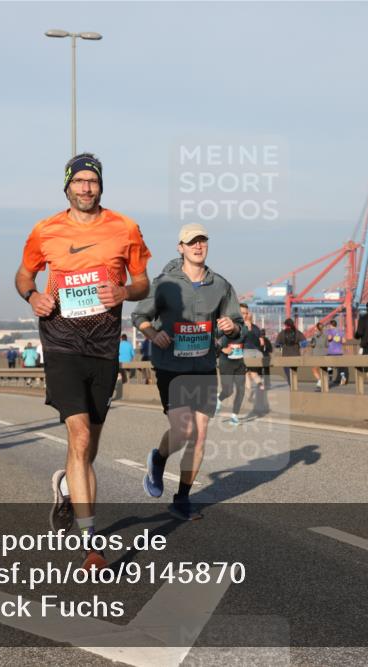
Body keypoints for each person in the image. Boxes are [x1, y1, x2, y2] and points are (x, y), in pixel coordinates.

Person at [14, 152, 151, 570]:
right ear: (67, 186)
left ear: (100, 186)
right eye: (79, 181)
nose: (86, 188)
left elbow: (143, 281)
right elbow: (23, 275)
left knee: (90, 444)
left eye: (93, 181)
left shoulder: (125, 227)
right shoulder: (46, 229)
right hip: (60, 344)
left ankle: (69, 488)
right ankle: (91, 541)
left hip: (104, 347)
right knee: (78, 437)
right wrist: (32, 296)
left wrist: (124, 293)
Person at [132, 223, 241, 521]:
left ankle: (181, 499)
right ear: (180, 247)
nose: (198, 246)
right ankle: (159, 457)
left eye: (202, 241)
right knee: (184, 431)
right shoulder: (165, 283)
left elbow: (236, 323)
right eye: (191, 242)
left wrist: (232, 328)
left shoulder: (220, 285)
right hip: (171, 367)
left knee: (201, 435)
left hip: (204, 366)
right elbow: (140, 315)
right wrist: (153, 334)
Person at [274, 318, 306, 386]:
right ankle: (294, 386)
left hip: (286, 356)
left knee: (288, 373)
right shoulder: (298, 332)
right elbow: (304, 343)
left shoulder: (282, 333)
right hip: (296, 355)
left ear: (285, 325)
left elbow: (276, 345)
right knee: (294, 372)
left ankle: (291, 385)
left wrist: (281, 345)